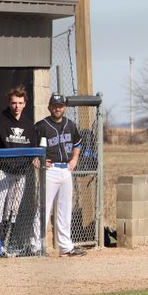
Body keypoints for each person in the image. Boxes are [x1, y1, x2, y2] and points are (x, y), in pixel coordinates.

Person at [0, 86, 40, 256]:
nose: (17, 106)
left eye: (20, 103)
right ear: (9, 103)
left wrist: (33, 159)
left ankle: (6, 244)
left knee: (13, 210)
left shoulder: (29, 125)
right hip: (2, 170)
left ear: (25, 104)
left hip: (20, 173)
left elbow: (33, 149)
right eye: (14, 103)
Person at [36, 94, 85, 257]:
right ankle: (36, 246)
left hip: (66, 171)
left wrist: (75, 159)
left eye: (60, 106)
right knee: (43, 209)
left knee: (65, 210)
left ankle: (65, 247)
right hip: (50, 171)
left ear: (65, 108)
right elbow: (32, 147)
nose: (58, 108)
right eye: (55, 105)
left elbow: (78, 143)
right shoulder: (41, 126)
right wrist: (38, 160)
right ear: (49, 107)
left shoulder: (70, 125)